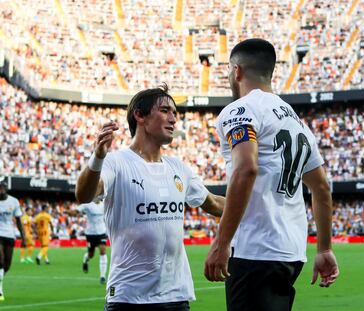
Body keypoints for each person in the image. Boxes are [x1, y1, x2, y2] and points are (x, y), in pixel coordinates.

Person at [204, 39, 339, 311]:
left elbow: (246, 168)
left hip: (255, 249)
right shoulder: (296, 121)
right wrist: (324, 249)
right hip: (291, 253)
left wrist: (222, 241)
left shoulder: (239, 110)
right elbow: (321, 188)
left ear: (237, 71)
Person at [76, 85, 225, 311]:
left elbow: (215, 204)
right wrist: (97, 157)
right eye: (165, 111)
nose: (174, 119)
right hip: (129, 298)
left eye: (175, 113)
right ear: (140, 115)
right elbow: (85, 194)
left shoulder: (179, 168)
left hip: (176, 297)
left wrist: (256, 201)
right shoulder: (116, 162)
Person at [68, 196, 108, 284]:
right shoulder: (87, 205)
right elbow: (76, 211)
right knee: (91, 254)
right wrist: (70, 212)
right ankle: (85, 260)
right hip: (90, 234)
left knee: (103, 250)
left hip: (102, 232)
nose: (100, 196)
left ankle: (102, 276)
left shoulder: (104, 204)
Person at [0, 180, 26, 301]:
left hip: (9, 234)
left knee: (7, 264)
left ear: (6, 188)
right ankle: (0, 290)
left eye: (3, 186)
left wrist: (23, 237)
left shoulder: (14, 201)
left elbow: (19, 221)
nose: (1, 189)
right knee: (0, 261)